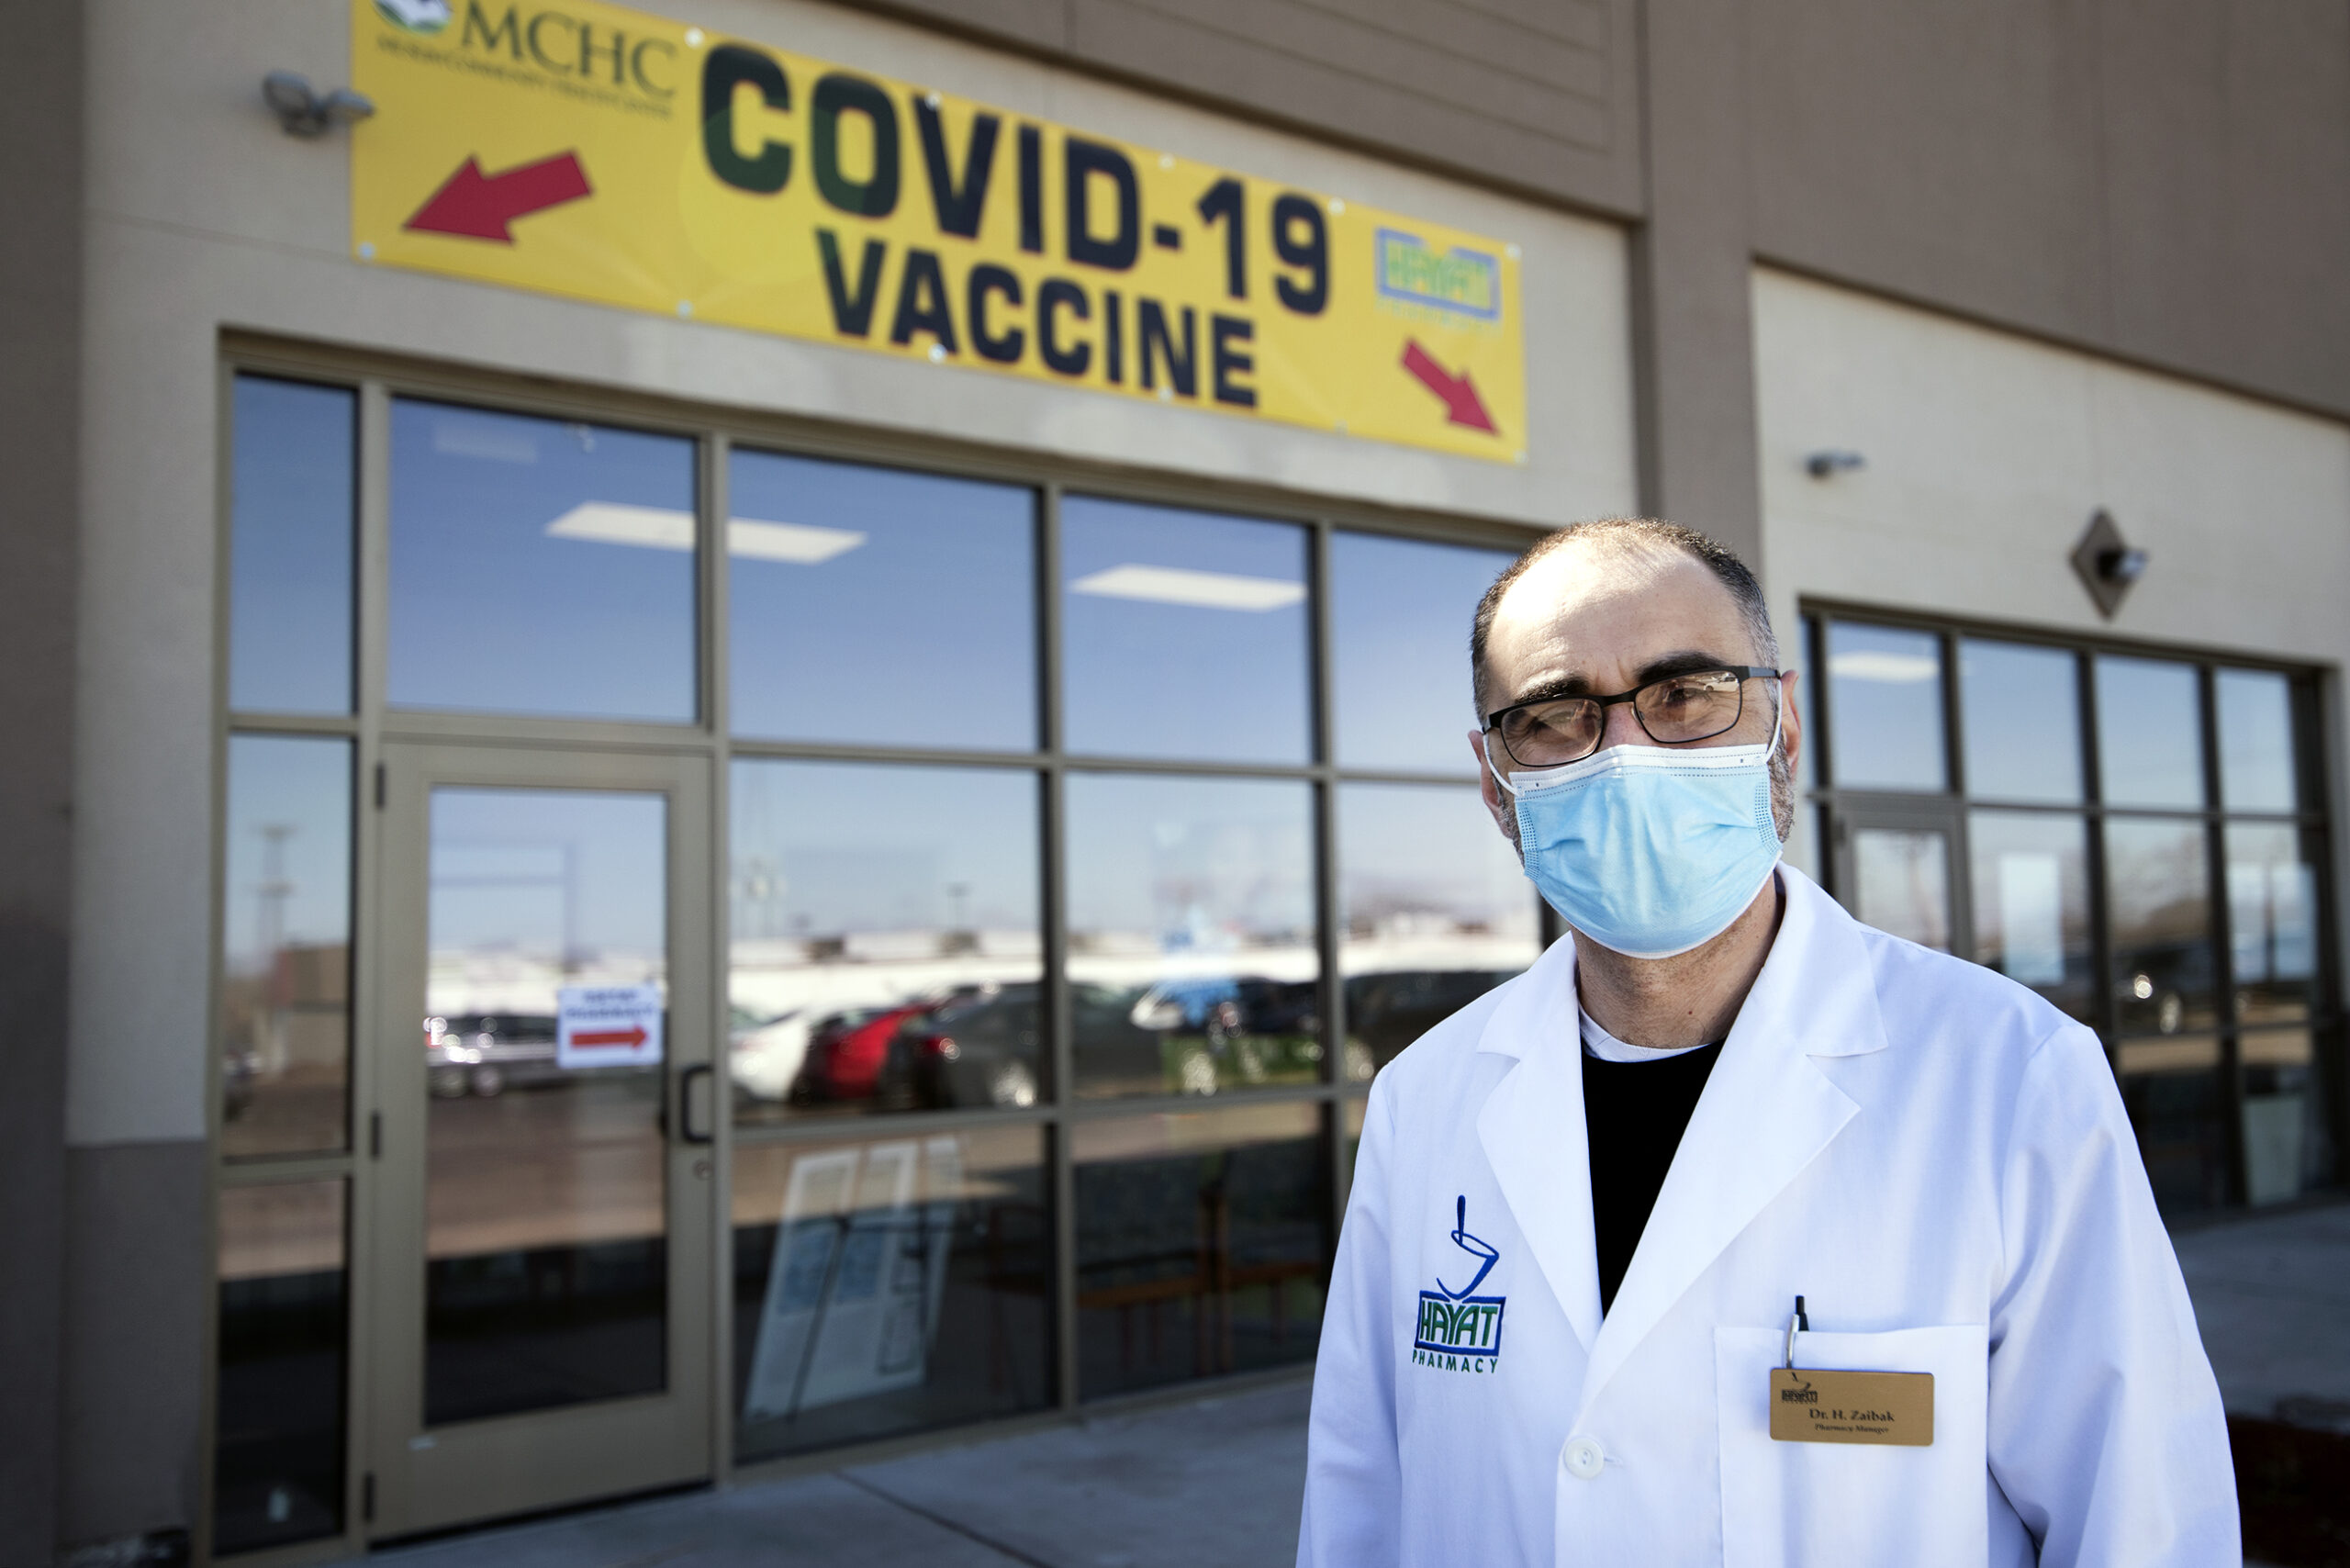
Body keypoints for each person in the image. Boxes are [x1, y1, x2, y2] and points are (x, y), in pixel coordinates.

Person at [1296, 519, 2237, 1567]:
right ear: (1493, 781)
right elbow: (1359, 1506)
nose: (1624, 756)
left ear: (1782, 732)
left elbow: (2143, 1524)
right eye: (1554, 717)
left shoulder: (2009, 1078)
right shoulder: (1423, 1103)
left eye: (1684, 695)